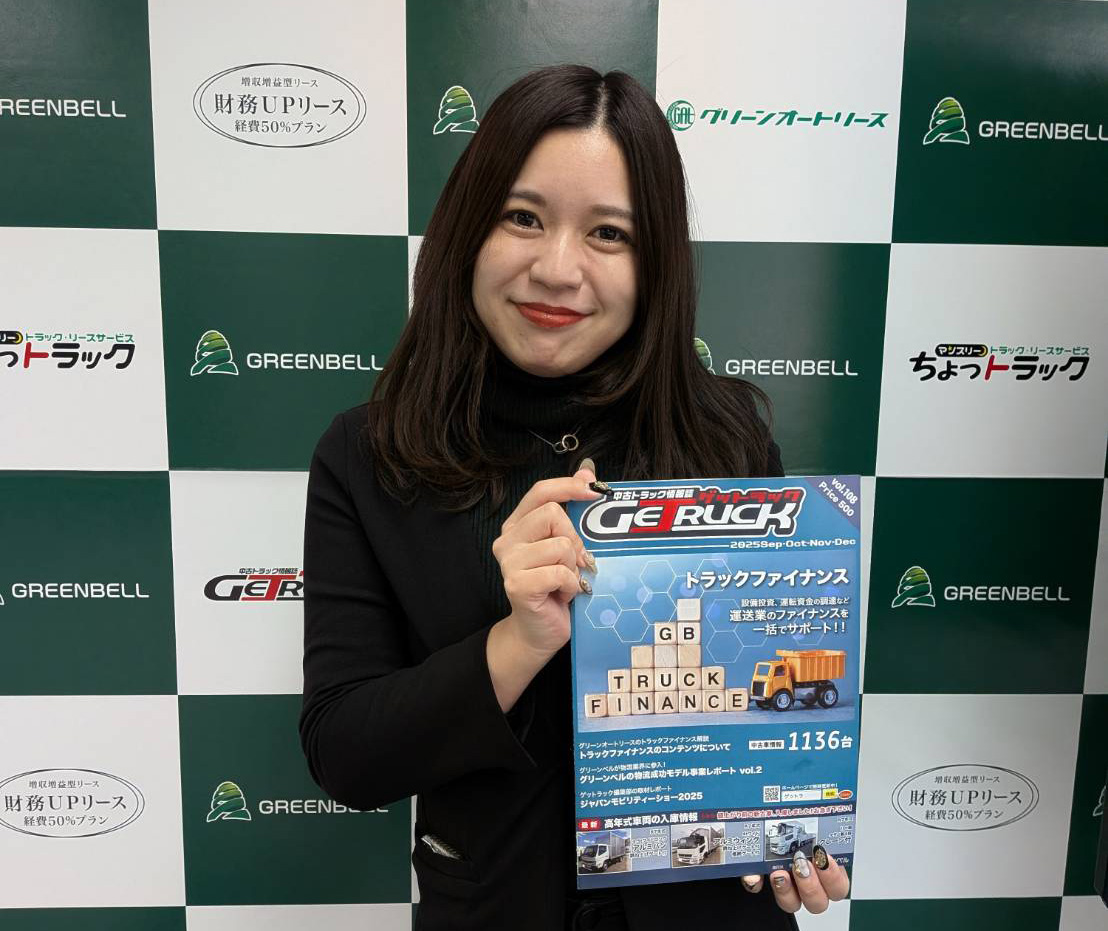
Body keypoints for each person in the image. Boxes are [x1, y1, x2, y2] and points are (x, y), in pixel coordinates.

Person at [299, 64, 850, 931]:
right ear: (468, 230)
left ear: (656, 260)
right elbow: (346, 755)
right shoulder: (370, 453)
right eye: (523, 217)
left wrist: (791, 829)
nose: (558, 269)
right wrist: (516, 641)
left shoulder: (726, 437)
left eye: (609, 233)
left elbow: (771, 706)